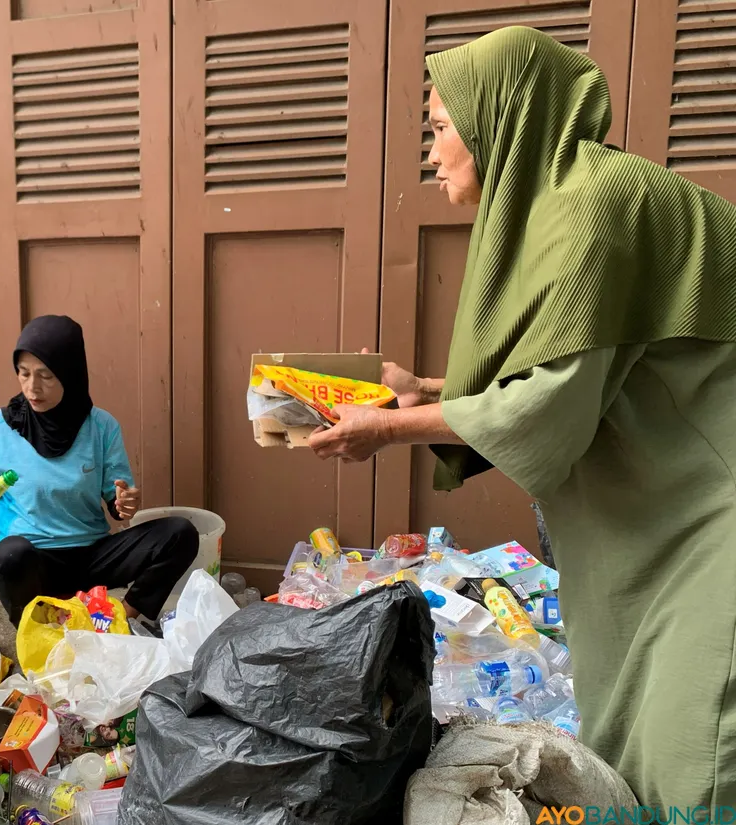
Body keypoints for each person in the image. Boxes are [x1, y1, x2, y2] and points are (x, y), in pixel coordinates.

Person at [306, 27, 736, 809]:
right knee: (632, 719)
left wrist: (387, 431)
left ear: (497, 118)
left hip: (712, 519)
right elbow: (579, 371)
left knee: (694, 746)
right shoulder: (562, 207)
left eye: (438, 127)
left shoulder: (594, 208)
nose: (433, 153)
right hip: (664, 515)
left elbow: (545, 407)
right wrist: (422, 390)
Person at [0, 315, 198, 626]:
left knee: (180, 533)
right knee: (11, 554)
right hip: (33, 562)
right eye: (24, 374)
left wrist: (124, 503)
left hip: (91, 556)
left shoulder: (101, 426)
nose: (32, 387)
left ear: (70, 373)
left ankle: (123, 620)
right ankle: (38, 629)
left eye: (46, 376)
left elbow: (117, 504)